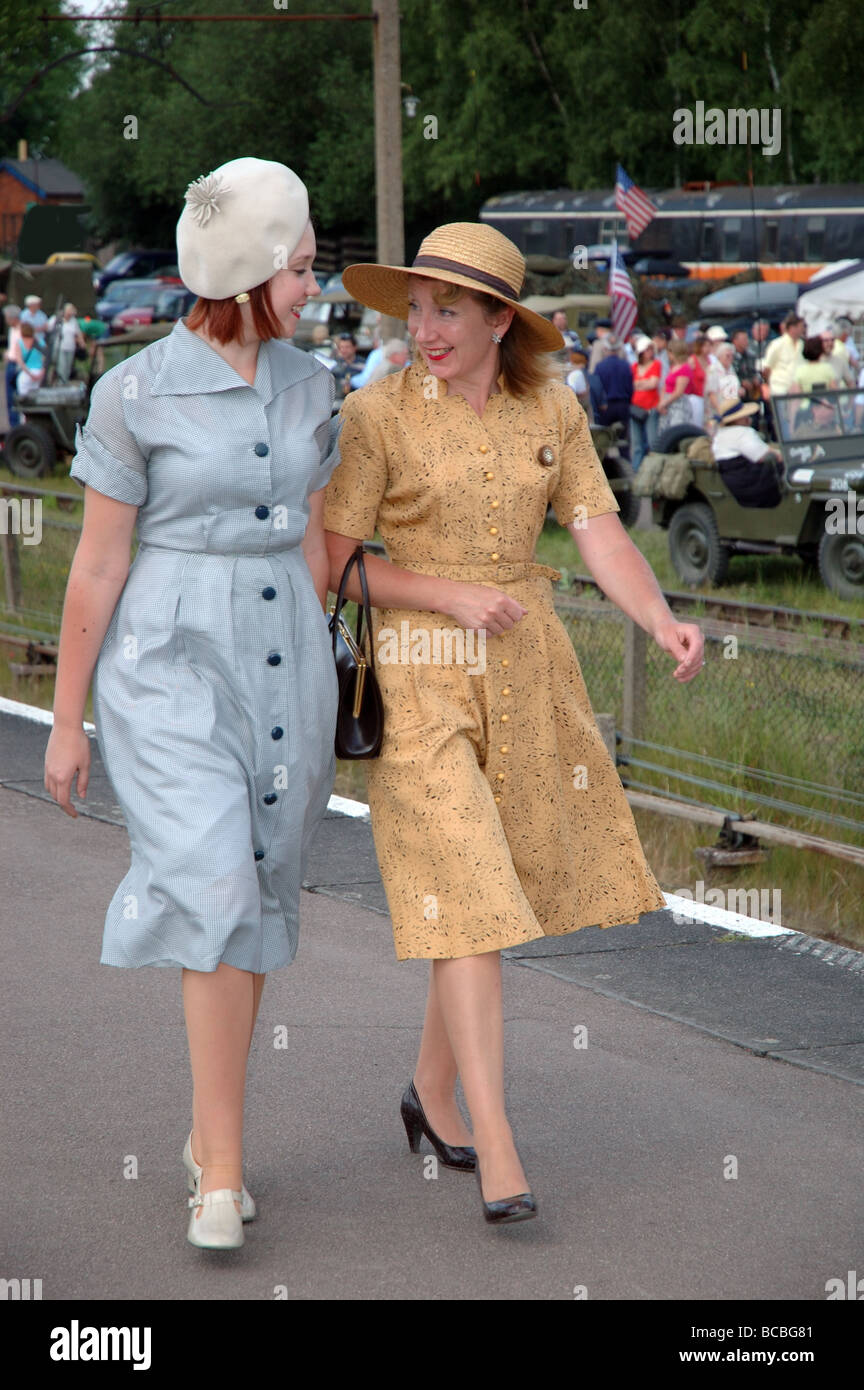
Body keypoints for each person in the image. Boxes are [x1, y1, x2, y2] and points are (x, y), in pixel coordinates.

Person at [322, 222, 704, 1223]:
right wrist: (445, 595)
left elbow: (597, 529)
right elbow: (335, 564)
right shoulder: (374, 414)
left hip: (530, 674)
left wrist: (661, 618)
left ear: (501, 319)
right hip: (418, 673)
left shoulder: (553, 407)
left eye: (449, 308)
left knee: (483, 901)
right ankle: (497, 1143)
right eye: (415, 306)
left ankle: (430, 1092)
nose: (426, 327)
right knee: (469, 887)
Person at [43, 157, 342, 1252]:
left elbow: (318, 547)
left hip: (286, 658)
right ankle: (222, 1172)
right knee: (215, 874)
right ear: (253, 267)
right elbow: (94, 568)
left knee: (255, 883)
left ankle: (209, 1130)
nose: (318, 287)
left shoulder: (315, 387)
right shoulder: (134, 392)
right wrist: (67, 720)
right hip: (168, 657)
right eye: (304, 268)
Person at [711, 397, 784, 507]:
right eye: (744, 415)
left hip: (732, 481)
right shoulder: (743, 433)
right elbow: (763, 456)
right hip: (748, 484)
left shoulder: (720, 434)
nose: (748, 417)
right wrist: (784, 456)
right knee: (781, 467)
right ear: (737, 419)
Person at [630, 334, 661, 469]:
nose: (650, 352)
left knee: (652, 442)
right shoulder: (634, 366)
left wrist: (638, 384)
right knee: (637, 443)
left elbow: (653, 384)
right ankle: (636, 471)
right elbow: (631, 385)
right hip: (635, 408)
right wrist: (644, 383)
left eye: (651, 349)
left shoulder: (656, 364)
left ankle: (653, 470)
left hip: (650, 408)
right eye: (647, 349)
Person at [594, 335, 633, 437]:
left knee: (604, 439)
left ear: (605, 348)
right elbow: (630, 386)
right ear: (619, 348)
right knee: (623, 438)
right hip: (623, 404)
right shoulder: (626, 365)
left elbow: (597, 388)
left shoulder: (600, 366)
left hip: (605, 406)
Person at [656, 337, 698, 427]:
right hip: (668, 403)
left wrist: (665, 402)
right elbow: (665, 386)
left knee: (676, 429)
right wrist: (661, 402)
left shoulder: (684, 368)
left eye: (669, 352)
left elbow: (679, 391)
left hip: (678, 404)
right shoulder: (673, 367)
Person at [762, 311, 804, 395]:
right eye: (801, 326)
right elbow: (767, 368)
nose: (803, 329)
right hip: (780, 390)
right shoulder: (777, 344)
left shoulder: (803, 344)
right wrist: (767, 385)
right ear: (792, 327)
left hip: (799, 390)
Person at [705, 341, 742, 423]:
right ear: (719, 356)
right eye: (727, 355)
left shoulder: (731, 369)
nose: (730, 358)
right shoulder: (713, 370)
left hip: (732, 411)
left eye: (732, 355)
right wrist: (721, 411)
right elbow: (712, 394)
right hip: (718, 411)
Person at [3, 304, 23, 429]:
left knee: (16, 395)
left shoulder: (22, 330)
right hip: (10, 363)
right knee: (9, 397)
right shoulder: (12, 330)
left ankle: (17, 424)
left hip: (17, 365)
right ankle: (13, 424)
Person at [55, 303, 87, 381]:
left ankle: (66, 380)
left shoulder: (74, 321)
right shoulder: (58, 320)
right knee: (62, 365)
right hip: (61, 347)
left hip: (70, 347)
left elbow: (78, 333)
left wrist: (82, 343)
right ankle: (61, 381)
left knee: (68, 366)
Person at [15, 322, 45, 398]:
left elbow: (20, 361)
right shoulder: (40, 342)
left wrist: (30, 374)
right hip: (38, 371)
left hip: (26, 371)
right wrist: (42, 372)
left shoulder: (20, 343)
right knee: (35, 396)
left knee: (23, 397)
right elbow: (45, 359)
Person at [731, 328, 759, 399]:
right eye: (743, 340)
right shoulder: (730, 356)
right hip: (736, 390)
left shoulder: (751, 356)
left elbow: (755, 371)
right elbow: (729, 374)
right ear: (735, 341)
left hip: (751, 390)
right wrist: (741, 382)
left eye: (746, 339)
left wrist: (756, 379)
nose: (746, 342)